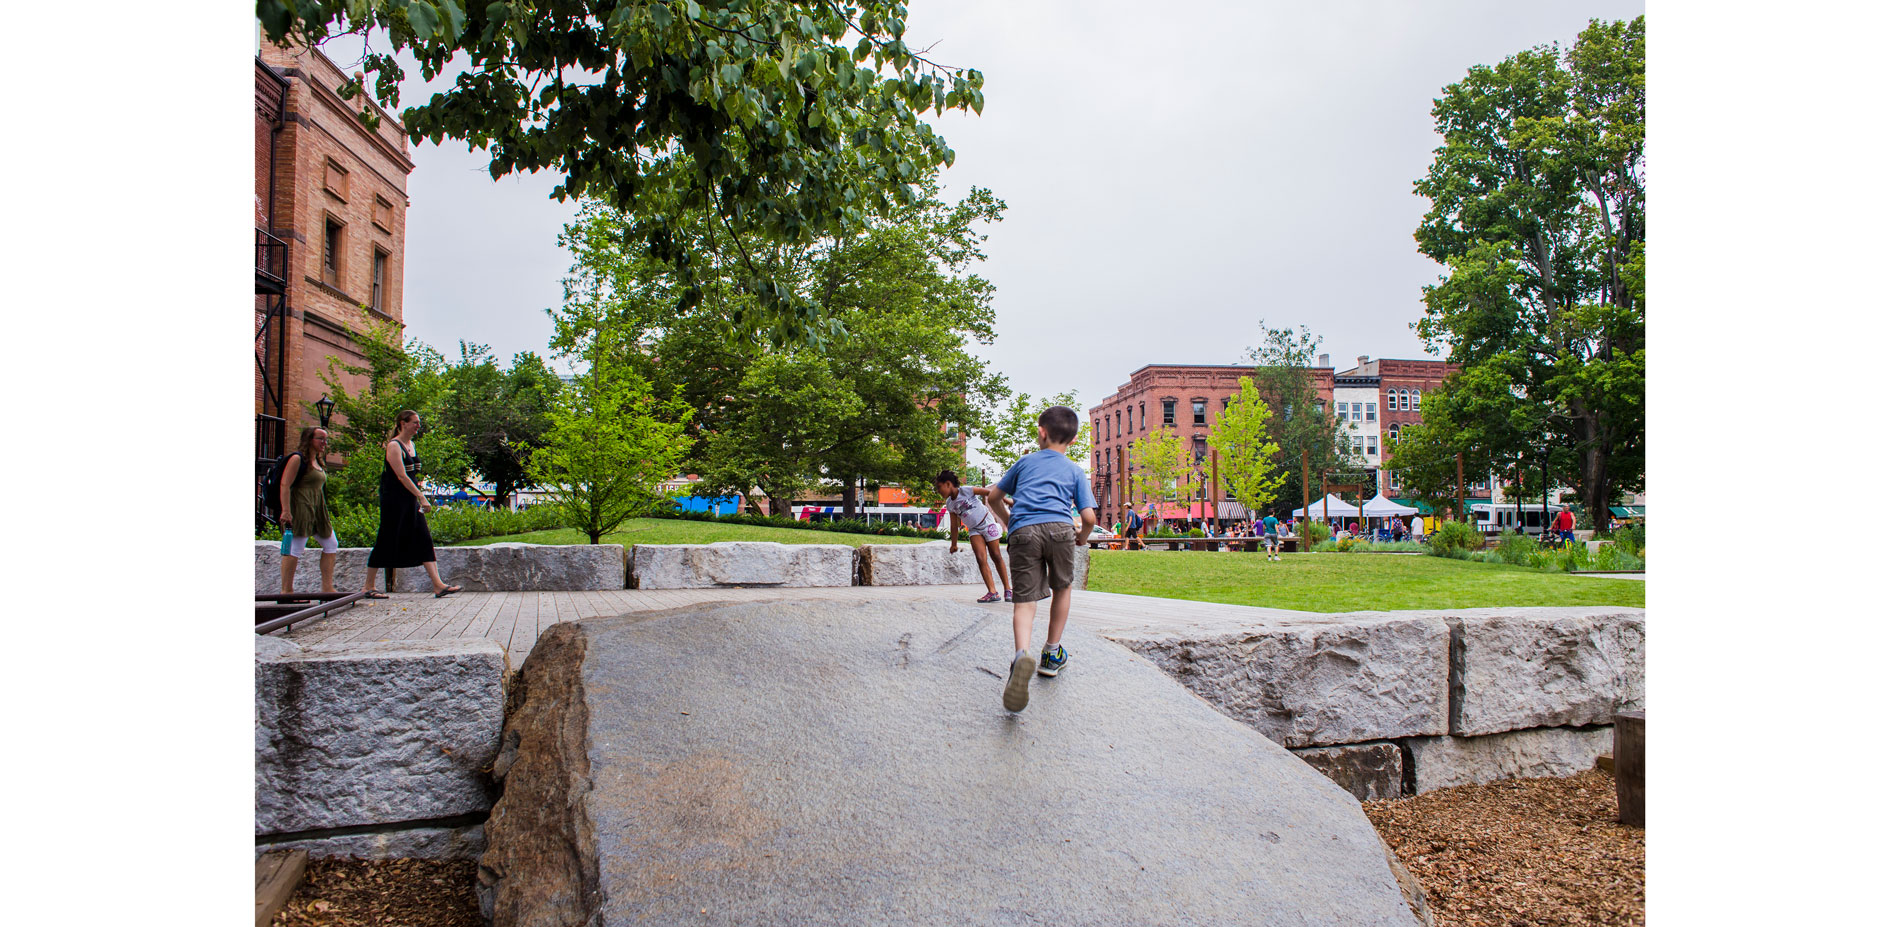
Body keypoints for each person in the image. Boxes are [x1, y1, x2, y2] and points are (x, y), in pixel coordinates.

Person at [982, 406, 1096, 713]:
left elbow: (992, 497)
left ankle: (1022, 654)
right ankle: (1051, 653)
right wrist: (1083, 537)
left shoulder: (1025, 462)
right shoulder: (1074, 470)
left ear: (1041, 432)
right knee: (1063, 587)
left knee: (1025, 601)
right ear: (1072, 441)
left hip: (1023, 532)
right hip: (1060, 530)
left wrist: (1009, 522)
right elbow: (1088, 516)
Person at [361, 410, 461, 599]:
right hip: (394, 500)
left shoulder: (411, 445)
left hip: (409, 499)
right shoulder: (394, 446)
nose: (418, 426)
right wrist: (421, 497)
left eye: (418, 423)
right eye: (414, 422)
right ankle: (368, 586)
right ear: (402, 423)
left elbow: (413, 476)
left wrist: (417, 496)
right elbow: (401, 476)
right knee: (386, 538)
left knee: (424, 537)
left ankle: (438, 585)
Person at [278, 426, 341, 597]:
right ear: (309, 440)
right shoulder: (298, 459)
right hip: (300, 507)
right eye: (320, 439)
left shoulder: (318, 461)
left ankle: (327, 587)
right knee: (295, 548)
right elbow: (285, 484)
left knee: (331, 544)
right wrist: (286, 510)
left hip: (317, 509)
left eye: (325, 439)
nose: (324, 443)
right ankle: (286, 592)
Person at [937, 469, 1012, 603]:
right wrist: (953, 544)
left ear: (948, 484)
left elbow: (989, 492)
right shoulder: (950, 504)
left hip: (987, 523)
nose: (939, 491)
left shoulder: (966, 490)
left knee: (995, 555)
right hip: (974, 529)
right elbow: (954, 525)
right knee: (980, 558)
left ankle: (1008, 589)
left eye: (939, 487)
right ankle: (992, 592)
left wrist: (1006, 500)